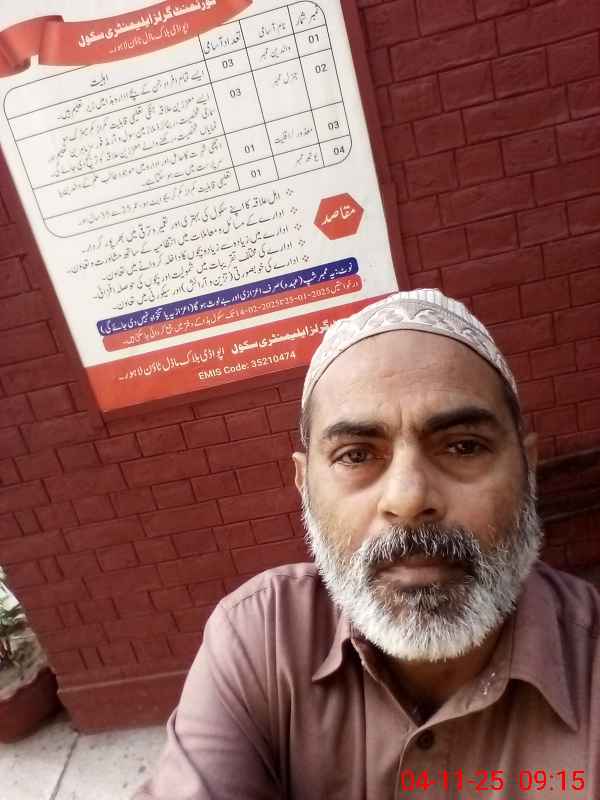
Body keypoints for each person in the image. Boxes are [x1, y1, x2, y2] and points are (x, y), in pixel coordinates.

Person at [134, 289, 599, 800]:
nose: (408, 498)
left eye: (463, 446)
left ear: (527, 467)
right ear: (304, 484)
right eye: (356, 455)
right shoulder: (260, 639)